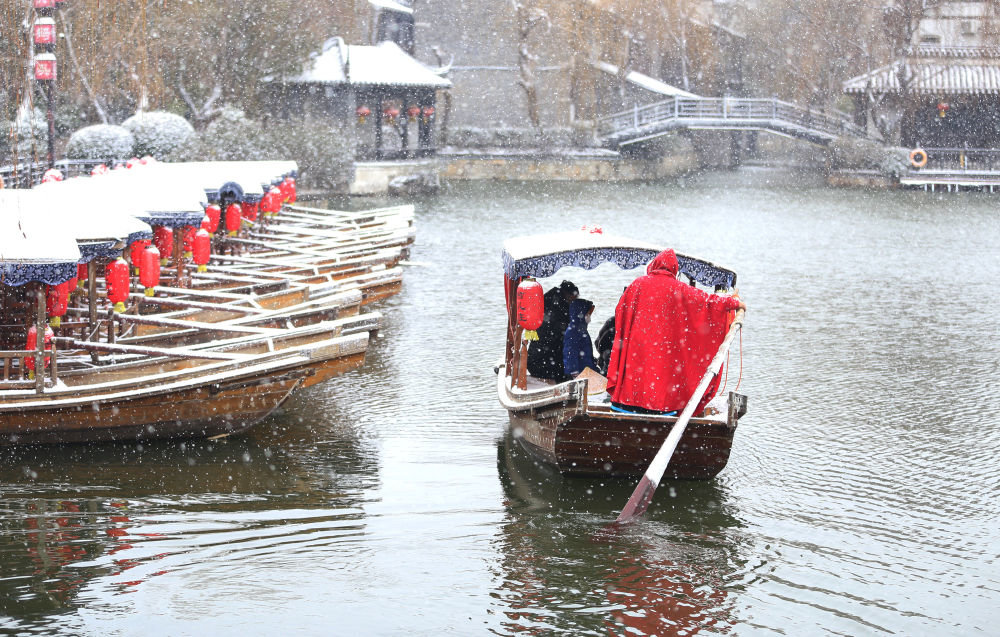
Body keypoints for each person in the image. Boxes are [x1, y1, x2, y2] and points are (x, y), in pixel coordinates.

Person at [606, 249, 745, 415]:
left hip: (635, 360)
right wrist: (733, 302)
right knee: (660, 377)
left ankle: (629, 406)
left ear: (654, 265)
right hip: (662, 366)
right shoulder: (680, 289)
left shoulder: (636, 285)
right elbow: (708, 303)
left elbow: (620, 314)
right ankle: (656, 408)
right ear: (674, 270)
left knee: (635, 375)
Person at [526, 280, 578, 380]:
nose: (573, 302)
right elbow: (562, 329)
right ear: (567, 294)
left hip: (538, 358)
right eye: (573, 299)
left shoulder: (551, 298)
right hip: (542, 362)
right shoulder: (556, 304)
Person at [562, 298, 596, 378]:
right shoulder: (573, 331)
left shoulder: (581, 329)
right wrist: (574, 372)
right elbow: (570, 353)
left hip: (586, 369)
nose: (589, 316)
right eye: (588, 314)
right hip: (581, 372)